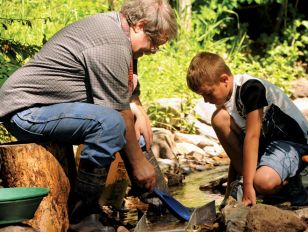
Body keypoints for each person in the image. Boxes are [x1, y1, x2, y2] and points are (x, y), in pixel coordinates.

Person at [0, 0, 177, 230]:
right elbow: (119, 113)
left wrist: (138, 110)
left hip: (49, 109)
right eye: (153, 43)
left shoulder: (121, 34)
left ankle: (161, 205)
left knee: (131, 130)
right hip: (26, 111)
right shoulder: (111, 42)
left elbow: (127, 88)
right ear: (140, 26)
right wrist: (138, 164)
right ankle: (83, 216)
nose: (152, 51)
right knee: (111, 124)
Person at [186, 52, 308, 207]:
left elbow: (252, 137)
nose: (206, 100)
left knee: (263, 182)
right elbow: (237, 149)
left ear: (224, 80)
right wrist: (229, 194)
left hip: (292, 143)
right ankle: (254, 181)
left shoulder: (251, 89)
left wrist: (248, 187)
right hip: (266, 145)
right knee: (219, 118)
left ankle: (291, 183)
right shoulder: (227, 99)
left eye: (208, 93)